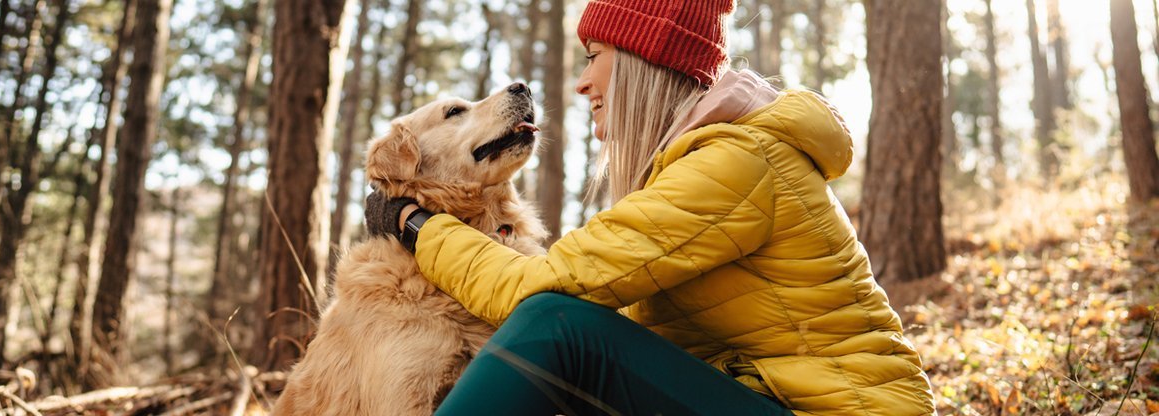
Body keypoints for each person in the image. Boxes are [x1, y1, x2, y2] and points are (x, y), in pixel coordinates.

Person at [364, 0, 936, 414]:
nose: (583, 82)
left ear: (642, 61)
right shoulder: (691, 167)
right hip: (770, 398)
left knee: (554, 325)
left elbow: (538, 297)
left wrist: (418, 224)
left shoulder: (734, 164)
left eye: (595, 57)